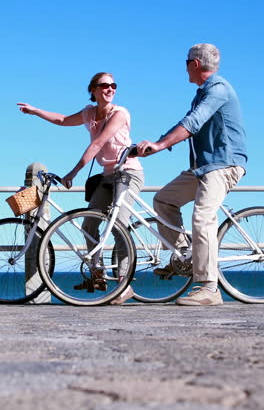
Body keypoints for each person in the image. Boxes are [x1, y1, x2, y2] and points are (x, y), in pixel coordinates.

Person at [17, 72, 144, 304]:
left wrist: (73, 172)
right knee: (89, 224)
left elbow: (98, 143)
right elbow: (63, 120)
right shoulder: (88, 113)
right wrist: (35, 111)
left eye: (113, 85)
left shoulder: (120, 113)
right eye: (104, 85)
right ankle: (98, 276)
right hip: (107, 175)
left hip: (128, 173)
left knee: (118, 227)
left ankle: (124, 285)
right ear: (93, 90)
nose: (110, 89)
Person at [137, 43, 247, 306]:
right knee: (164, 200)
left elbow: (194, 122)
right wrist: (156, 143)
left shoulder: (218, 89)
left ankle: (210, 287)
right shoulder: (201, 94)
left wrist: (160, 146)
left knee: (203, 217)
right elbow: (184, 123)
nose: (184, 67)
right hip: (202, 167)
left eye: (186, 62)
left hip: (223, 164)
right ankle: (185, 256)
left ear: (195, 64)